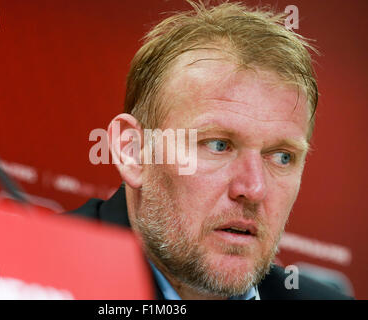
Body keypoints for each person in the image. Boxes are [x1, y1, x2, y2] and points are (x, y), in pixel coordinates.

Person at [72, 1, 352, 300]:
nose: (254, 188)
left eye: (282, 156)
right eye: (219, 145)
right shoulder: (34, 280)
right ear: (134, 151)